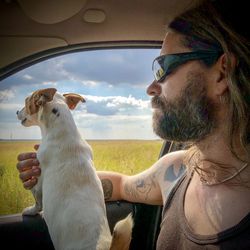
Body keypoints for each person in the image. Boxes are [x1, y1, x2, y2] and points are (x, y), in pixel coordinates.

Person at [16, 0, 250, 249]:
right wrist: (56, 171)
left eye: (163, 68)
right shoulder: (176, 169)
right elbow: (120, 185)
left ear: (222, 73)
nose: (150, 88)